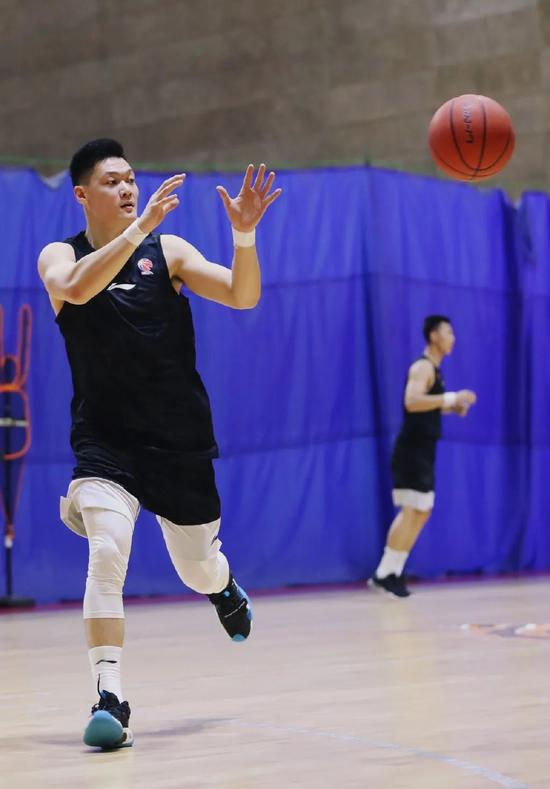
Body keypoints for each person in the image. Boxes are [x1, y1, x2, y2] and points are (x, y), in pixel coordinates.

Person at [37, 138, 282, 749]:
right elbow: (77, 290)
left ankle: (220, 584)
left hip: (177, 440)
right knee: (107, 550)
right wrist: (136, 228)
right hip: (105, 440)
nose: (127, 188)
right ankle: (109, 697)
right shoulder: (59, 256)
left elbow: (243, 294)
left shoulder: (166, 250)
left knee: (195, 567)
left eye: (130, 179)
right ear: (82, 194)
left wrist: (244, 235)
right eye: (112, 181)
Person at [370, 315, 477, 598]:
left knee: (421, 510)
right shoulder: (423, 367)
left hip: (423, 451)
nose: (453, 338)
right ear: (433, 336)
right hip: (411, 452)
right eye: (448, 332)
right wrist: (451, 398)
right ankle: (385, 574)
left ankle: (392, 571)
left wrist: (451, 408)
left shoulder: (435, 371)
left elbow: (426, 405)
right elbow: (412, 401)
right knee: (411, 510)